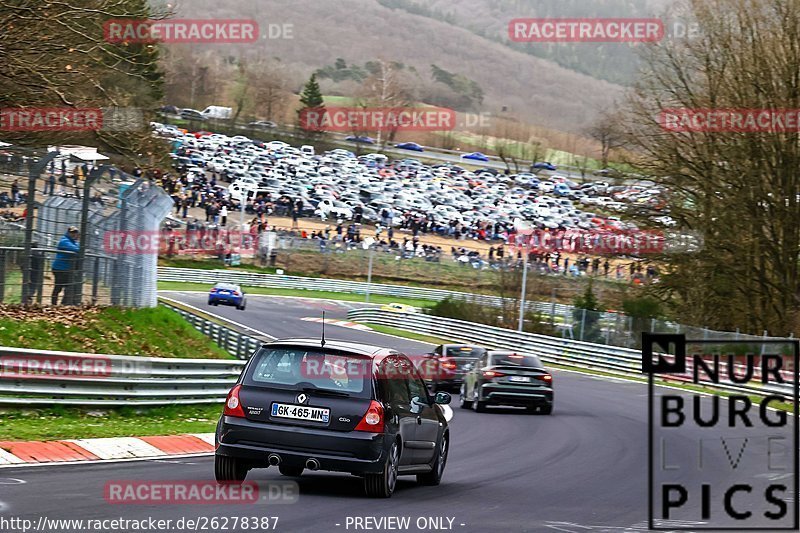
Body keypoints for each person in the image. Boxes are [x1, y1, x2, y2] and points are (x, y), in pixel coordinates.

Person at [51, 226, 80, 305]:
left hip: (67, 269)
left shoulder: (74, 242)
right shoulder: (64, 241)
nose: (74, 234)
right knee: (58, 287)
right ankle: (54, 304)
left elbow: (79, 248)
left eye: (75, 233)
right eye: (72, 233)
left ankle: (64, 303)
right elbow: (77, 249)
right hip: (60, 268)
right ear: (68, 233)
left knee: (69, 287)